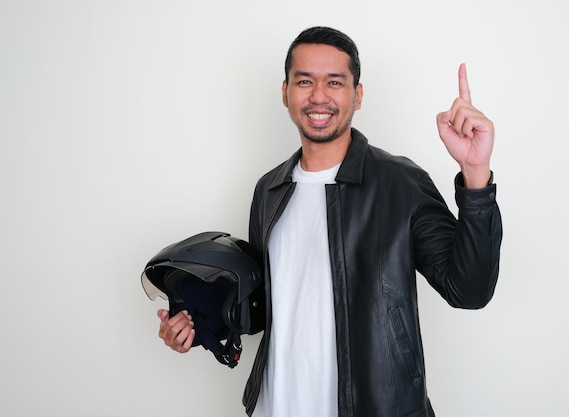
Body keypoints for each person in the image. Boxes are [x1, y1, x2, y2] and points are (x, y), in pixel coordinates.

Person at [157, 26, 502, 417]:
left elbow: (470, 291)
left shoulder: (400, 183)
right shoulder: (269, 189)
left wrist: (476, 176)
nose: (318, 96)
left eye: (334, 82)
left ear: (357, 95)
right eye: (305, 81)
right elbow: (272, 307)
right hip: (277, 406)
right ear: (285, 91)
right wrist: (197, 328)